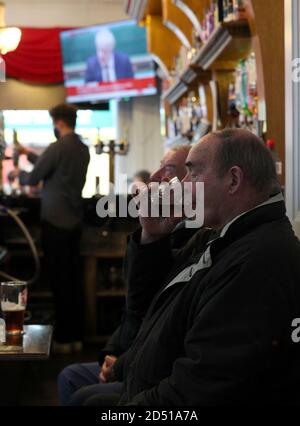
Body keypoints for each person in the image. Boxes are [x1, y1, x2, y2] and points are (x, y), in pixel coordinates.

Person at [85, 128, 300, 406]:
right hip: (146, 380)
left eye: (193, 173)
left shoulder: (260, 260)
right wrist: (152, 238)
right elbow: (147, 307)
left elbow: (201, 387)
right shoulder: (218, 233)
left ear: (233, 179)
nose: (183, 184)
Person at [57, 145, 202, 406]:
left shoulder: (193, 234)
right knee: (70, 376)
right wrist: (111, 353)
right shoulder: (167, 226)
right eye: (159, 165)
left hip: (153, 371)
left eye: (168, 169)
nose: (155, 175)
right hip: (132, 354)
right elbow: (133, 308)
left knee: (80, 391)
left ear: (193, 180)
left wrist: (120, 364)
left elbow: (158, 320)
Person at [17, 103, 90, 353]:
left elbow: (35, 177)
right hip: (74, 221)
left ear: (58, 122)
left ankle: (62, 340)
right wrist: (29, 153)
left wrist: (19, 174)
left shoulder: (57, 147)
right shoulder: (82, 149)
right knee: (73, 281)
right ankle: (76, 338)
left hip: (55, 223)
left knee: (59, 282)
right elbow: (57, 168)